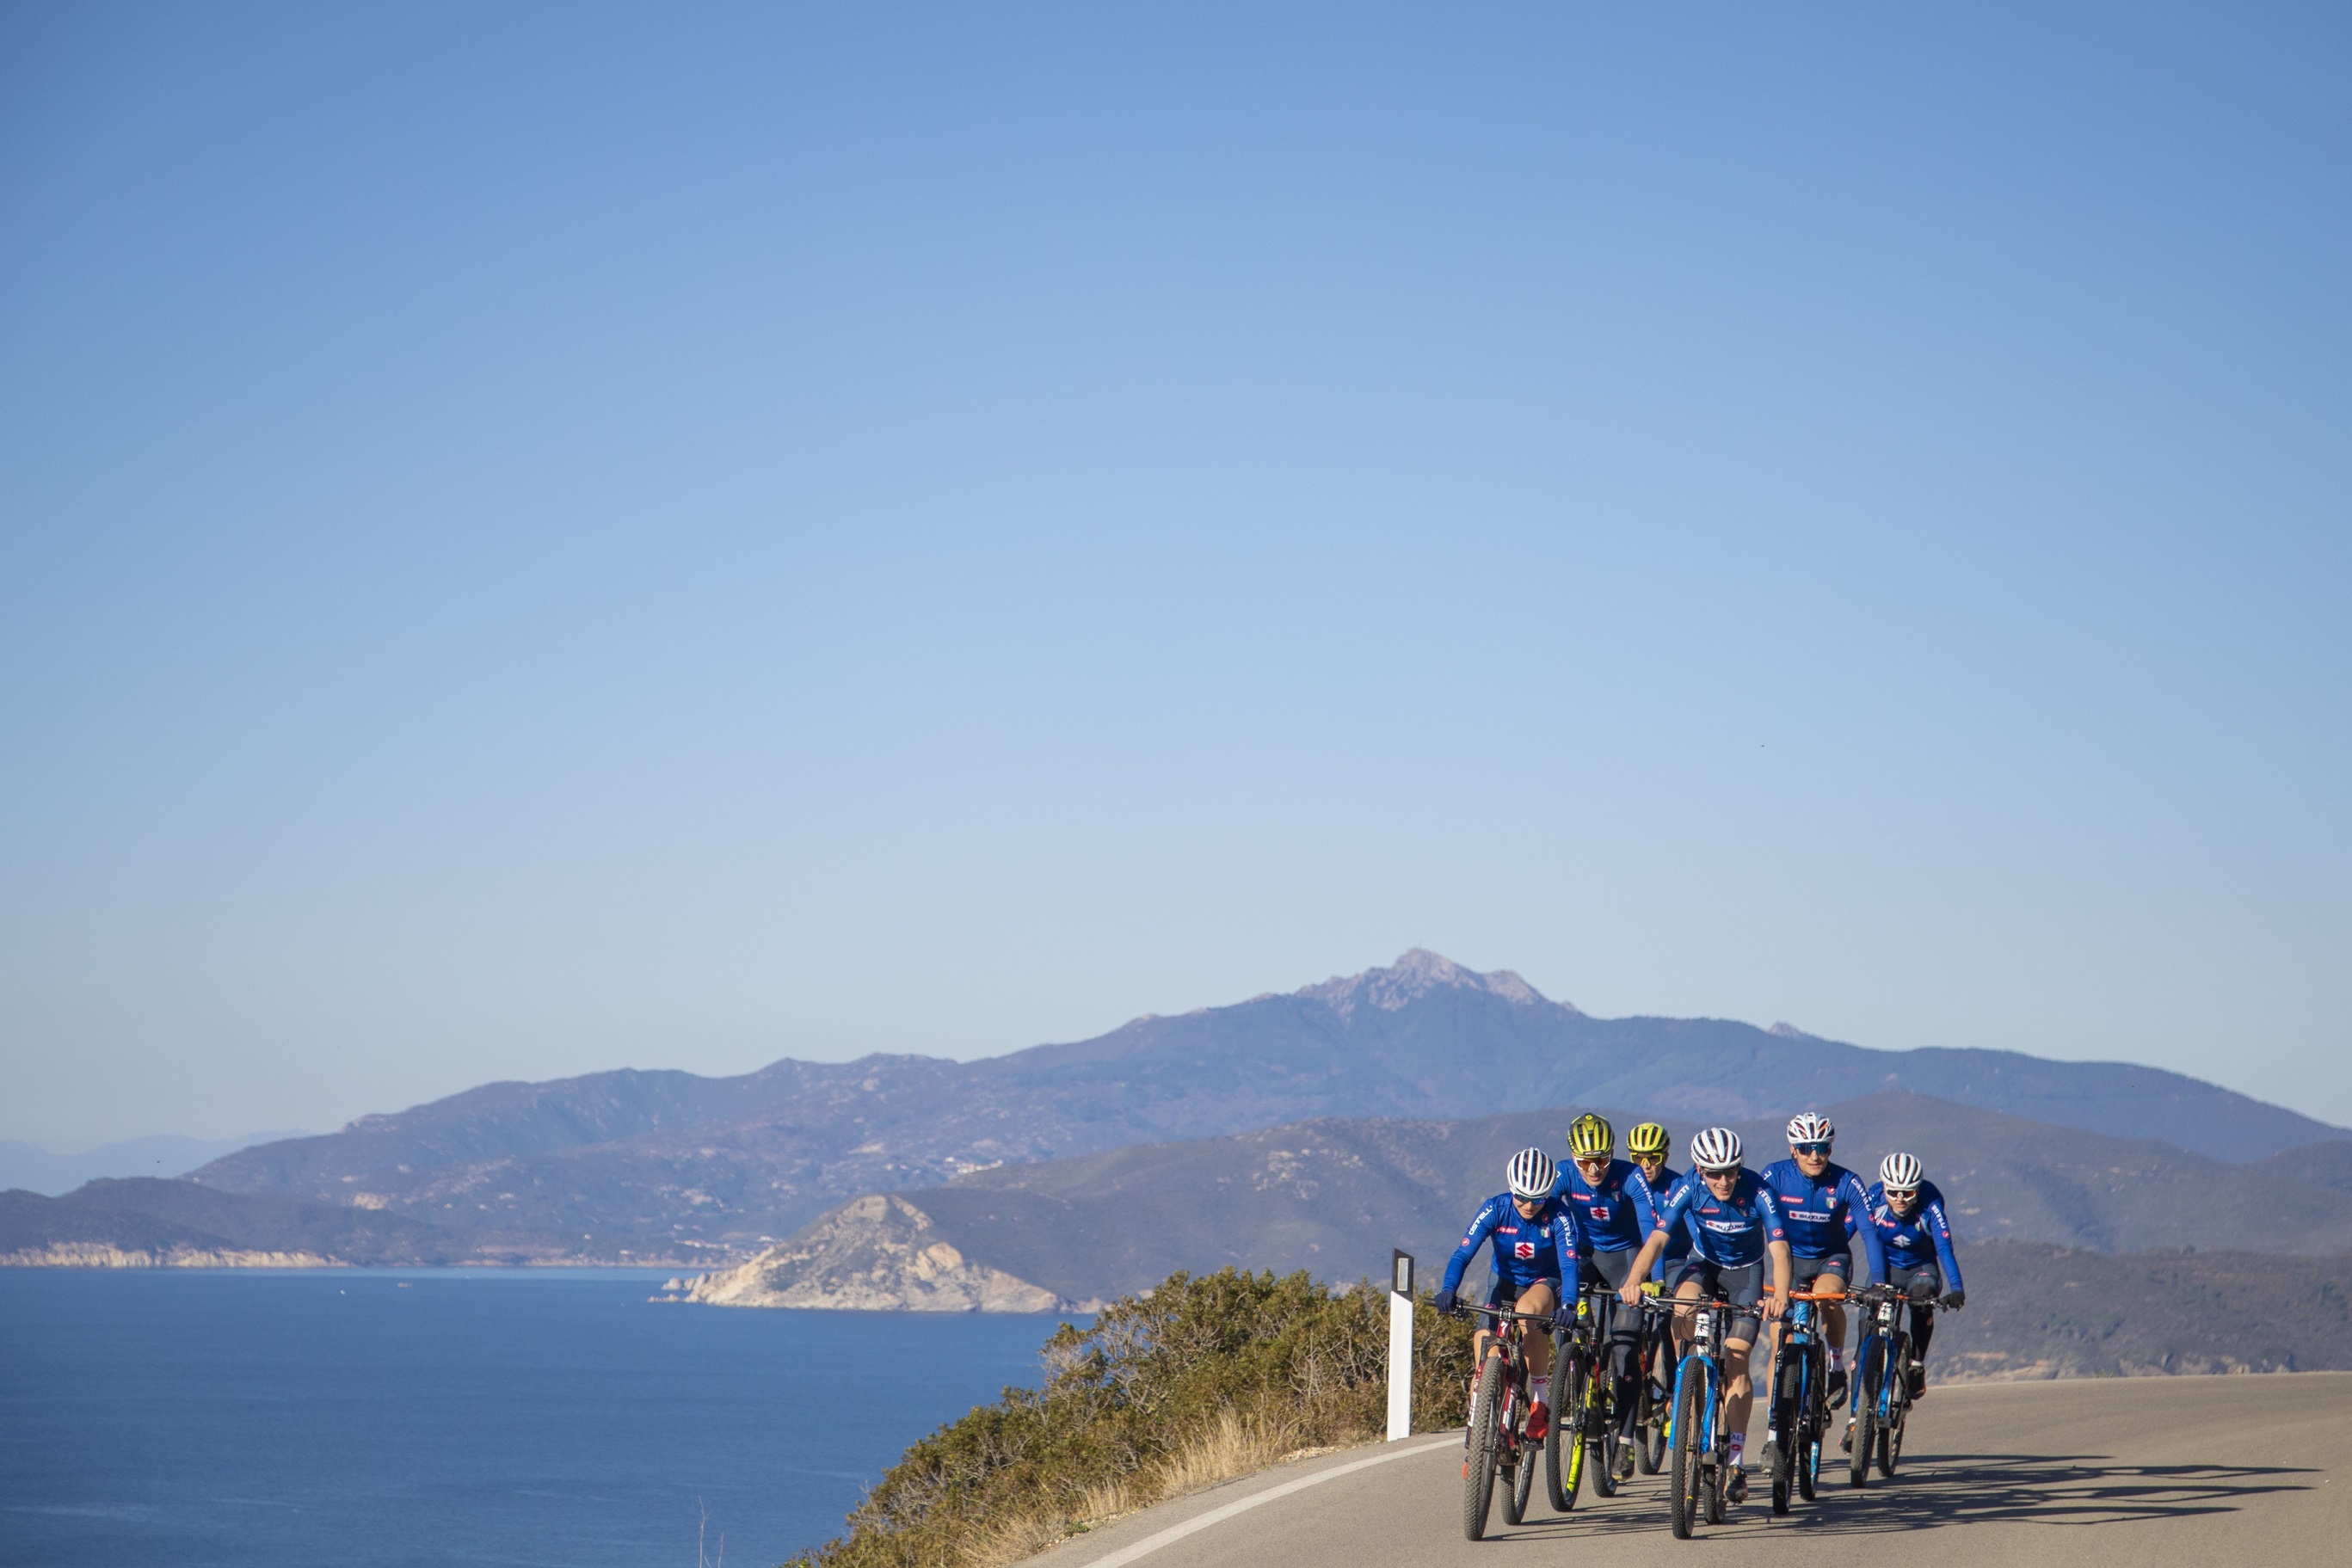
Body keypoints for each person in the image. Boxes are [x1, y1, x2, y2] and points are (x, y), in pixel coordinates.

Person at [1616, 1126, 1791, 1504]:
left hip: (1747, 1273)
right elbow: (1659, 1238)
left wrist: (1779, 1296)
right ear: (1698, 1169)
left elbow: (1779, 1247)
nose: (1724, 1180)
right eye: (1714, 1173)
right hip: (1705, 1264)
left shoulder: (1759, 1191)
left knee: (1737, 1356)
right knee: (1684, 1306)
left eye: (1731, 1171)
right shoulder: (1688, 1187)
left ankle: (1736, 1460)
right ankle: (1691, 1375)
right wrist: (1633, 1280)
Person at [1435, 1147, 1584, 1442]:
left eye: (1538, 1199)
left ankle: (1540, 1400)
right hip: (1503, 1280)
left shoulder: (1559, 1215)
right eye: (1522, 1197)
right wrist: (1448, 1289)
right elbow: (1463, 1253)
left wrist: (1568, 1303)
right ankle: (1483, 1427)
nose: (1529, 1205)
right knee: (1484, 1348)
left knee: (1530, 1313)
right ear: (1511, 1189)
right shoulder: (1495, 1208)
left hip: (1543, 1280)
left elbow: (1568, 1264)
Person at [1552, 1113, 1665, 1478]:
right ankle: (1574, 1368)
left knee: (1624, 1349)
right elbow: (1544, 1219)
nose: (1594, 1168)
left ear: (1612, 1154)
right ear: (1573, 1157)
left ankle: (1628, 1441)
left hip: (1626, 1260)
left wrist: (1648, 1280)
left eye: (1601, 1159)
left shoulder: (1630, 1176)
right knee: (1559, 1304)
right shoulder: (1564, 1175)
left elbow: (1651, 1230)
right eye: (1585, 1161)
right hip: (1585, 1255)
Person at [1758, 1112, 1886, 1404]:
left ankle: (1836, 1364)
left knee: (1826, 1297)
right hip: (1790, 1260)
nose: (1814, 1156)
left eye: (1823, 1148)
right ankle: (1775, 1422)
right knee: (1780, 1337)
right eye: (1806, 1148)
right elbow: (1754, 1221)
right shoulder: (1775, 1177)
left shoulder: (1847, 1182)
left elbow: (1869, 1231)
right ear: (1793, 1149)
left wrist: (1878, 1282)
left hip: (1831, 1257)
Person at [1860, 1151, 1965, 1401]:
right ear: (1883, 1187)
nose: (1900, 1199)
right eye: (1893, 1191)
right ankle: (1857, 1417)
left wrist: (1957, 1287)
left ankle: (1916, 1364)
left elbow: (1944, 1248)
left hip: (1921, 1268)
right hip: (1886, 1269)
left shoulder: (1930, 1205)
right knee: (1865, 1331)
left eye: (1907, 1193)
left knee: (1921, 1300)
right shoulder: (1873, 1199)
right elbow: (1849, 1231)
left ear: (1917, 1190)